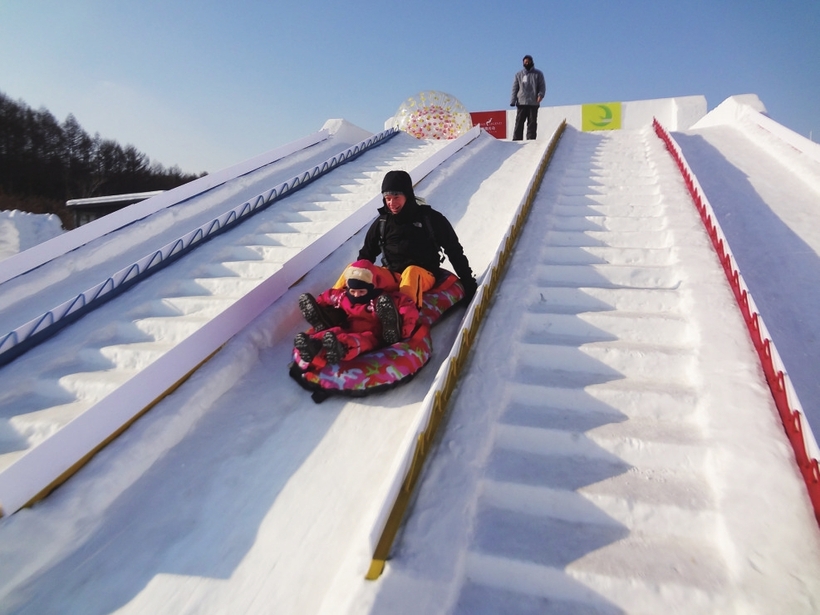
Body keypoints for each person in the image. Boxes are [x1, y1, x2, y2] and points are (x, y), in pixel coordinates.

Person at [346, 169, 477, 307]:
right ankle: (332, 305)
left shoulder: (430, 218)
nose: (391, 203)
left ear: (407, 195)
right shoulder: (383, 223)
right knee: (354, 267)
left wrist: (467, 281)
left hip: (423, 275)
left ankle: (401, 316)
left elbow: (454, 250)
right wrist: (359, 274)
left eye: (396, 197)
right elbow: (367, 254)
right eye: (388, 198)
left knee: (411, 272)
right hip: (392, 275)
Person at [295, 260, 419, 364]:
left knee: (359, 340)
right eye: (353, 291)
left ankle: (341, 348)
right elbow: (329, 295)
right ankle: (313, 344)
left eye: (361, 292)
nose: (356, 295)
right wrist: (319, 304)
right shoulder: (344, 297)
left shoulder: (381, 299)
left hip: (373, 333)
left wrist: (405, 330)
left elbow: (407, 306)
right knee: (335, 331)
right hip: (349, 327)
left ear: (371, 288)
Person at [510, 54, 546, 141]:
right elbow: (515, 88)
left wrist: (540, 95)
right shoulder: (518, 75)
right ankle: (517, 139)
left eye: (528, 61)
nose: (526, 63)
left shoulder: (538, 74)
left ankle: (531, 139)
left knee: (532, 122)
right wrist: (513, 100)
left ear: (532, 62)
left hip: (533, 102)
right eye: (525, 62)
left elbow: (542, 86)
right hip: (521, 102)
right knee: (519, 122)